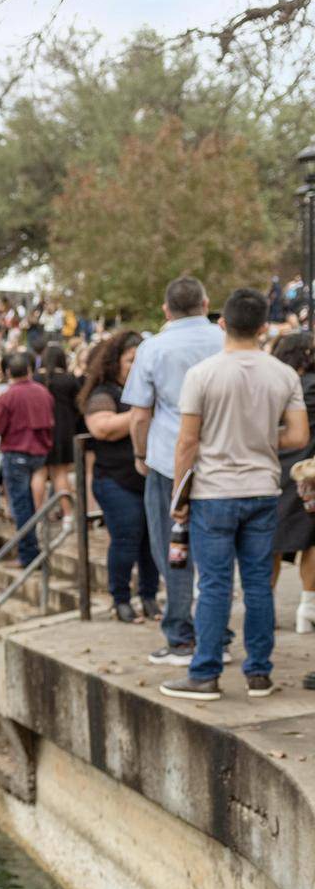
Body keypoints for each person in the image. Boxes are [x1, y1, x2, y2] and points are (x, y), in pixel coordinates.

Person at [160, 289, 309, 700]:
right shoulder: (283, 375)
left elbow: (187, 442)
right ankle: (259, 672)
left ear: (222, 323)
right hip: (263, 489)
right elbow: (298, 435)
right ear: (264, 327)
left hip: (213, 492)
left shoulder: (203, 374)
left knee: (215, 585)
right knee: (260, 583)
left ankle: (205, 672)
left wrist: (179, 493)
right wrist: (259, 441)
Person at [122, 276, 225, 666]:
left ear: (167, 310)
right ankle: (218, 633)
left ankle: (181, 635)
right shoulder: (224, 341)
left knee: (173, 549)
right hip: (221, 460)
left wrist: (140, 453)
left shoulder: (153, 348)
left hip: (169, 461)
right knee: (217, 551)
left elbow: (139, 414)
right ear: (205, 302)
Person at [78, 331, 158, 623]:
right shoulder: (105, 394)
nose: (135, 366)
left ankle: (149, 597)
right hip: (115, 479)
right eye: (129, 360)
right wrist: (142, 414)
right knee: (127, 537)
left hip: (149, 478)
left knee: (152, 541)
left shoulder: (151, 391)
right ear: (115, 362)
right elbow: (103, 428)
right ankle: (121, 599)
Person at [0, 352, 54, 565]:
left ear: (7, 373)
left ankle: (28, 554)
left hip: (16, 453)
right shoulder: (43, 392)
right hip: (39, 453)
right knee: (30, 503)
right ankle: (31, 550)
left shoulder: (8, 396)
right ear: (30, 371)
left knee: (21, 504)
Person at [269, 332, 315, 633]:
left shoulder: (270, 382)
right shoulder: (311, 384)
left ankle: (265, 606)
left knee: (269, 543)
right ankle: (307, 607)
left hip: (272, 469)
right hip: (307, 471)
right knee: (312, 540)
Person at [41, 343, 80, 501]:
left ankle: (40, 514)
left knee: (40, 473)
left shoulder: (37, 379)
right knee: (61, 472)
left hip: (42, 430)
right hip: (64, 430)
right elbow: (79, 405)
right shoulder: (69, 380)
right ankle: (67, 515)